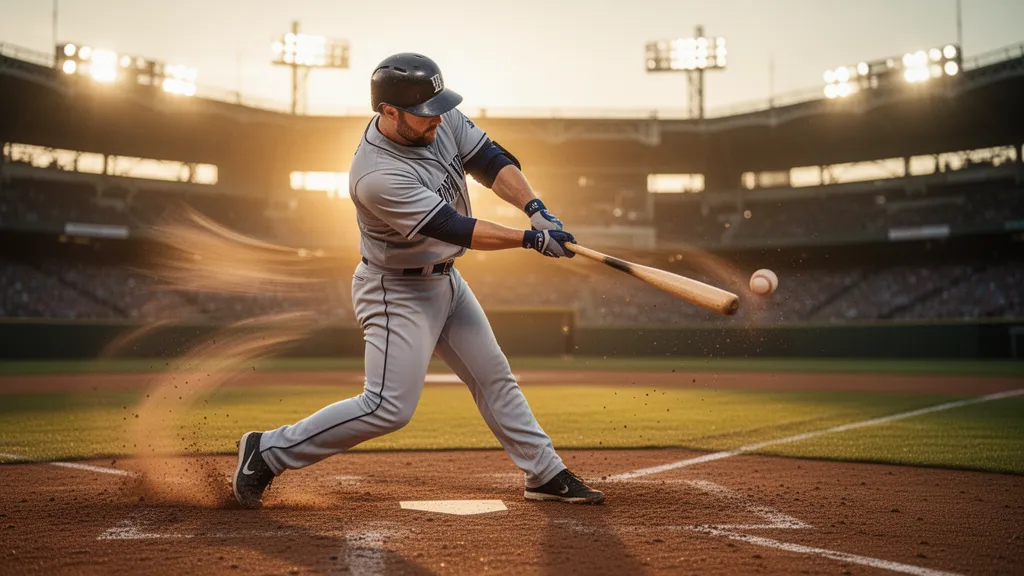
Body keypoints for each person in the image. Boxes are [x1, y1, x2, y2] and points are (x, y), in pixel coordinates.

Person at [232, 53, 604, 508]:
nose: (436, 120)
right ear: (388, 112)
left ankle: (544, 473)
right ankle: (267, 451)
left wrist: (535, 208)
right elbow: (452, 226)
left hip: (447, 281)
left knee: (494, 378)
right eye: (423, 114)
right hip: (396, 290)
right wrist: (530, 240)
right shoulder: (376, 175)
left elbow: (490, 159)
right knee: (387, 407)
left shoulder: (437, 114)